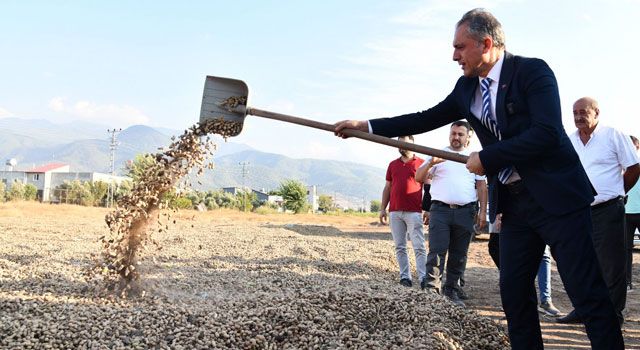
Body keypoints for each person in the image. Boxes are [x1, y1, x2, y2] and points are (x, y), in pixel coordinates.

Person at [334, 8, 623, 349]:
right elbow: (425, 117)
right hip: (515, 206)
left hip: (557, 200)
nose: (454, 55)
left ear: (486, 44)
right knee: (514, 297)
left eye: (460, 47)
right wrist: (367, 127)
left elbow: (546, 133)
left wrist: (487, 158)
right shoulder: (466, 87)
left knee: (587, 293)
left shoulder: (533, 72)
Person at [558, 97, 640, 325]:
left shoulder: (613, 135)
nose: (578, 117)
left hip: (608, 210)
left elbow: (634, 168)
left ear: (596, 113)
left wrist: (618, 190)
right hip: (578, 211)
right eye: (575, 113)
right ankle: (583, 310)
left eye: (583, 112)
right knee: (582, 263)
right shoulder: (569, 141)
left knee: (611, 265)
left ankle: (612, 314)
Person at [416, 120, 487, 307]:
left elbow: (481, 186)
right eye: (453, 133)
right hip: (440, 211)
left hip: (466, 211)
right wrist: (431, 162)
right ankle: (432, 290)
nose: (456, 137)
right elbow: (418, 177)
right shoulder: (438, 154)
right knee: (437, 251)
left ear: (468, 136)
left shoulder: (474, 157)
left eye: (460, 134)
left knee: (459, 254)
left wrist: (483, 213)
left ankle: (452, 289)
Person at [488, 214, 561, 317]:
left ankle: (545, 300)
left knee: (543, 255)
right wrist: (501, 213)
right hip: (514, 213)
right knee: (508, 252)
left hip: (541, 213)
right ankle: (516, 298)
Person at [379, 135, 427, 288]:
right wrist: (382, 209)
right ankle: (405, 277)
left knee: (419, 246)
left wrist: (428, 209)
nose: (402, 146)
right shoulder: (392, 165)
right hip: (395, 211)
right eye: (399, 144)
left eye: (406, 144)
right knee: (400, 246)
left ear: (413, 144)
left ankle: (423, 278)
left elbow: (429, 188)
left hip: (415, 211)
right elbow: (388, 187)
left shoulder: (422, 163)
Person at [626, 135, 640, 291]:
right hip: (625, 213)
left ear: (637, 147)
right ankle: (626, 282)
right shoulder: (621, 165)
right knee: (625, 250)